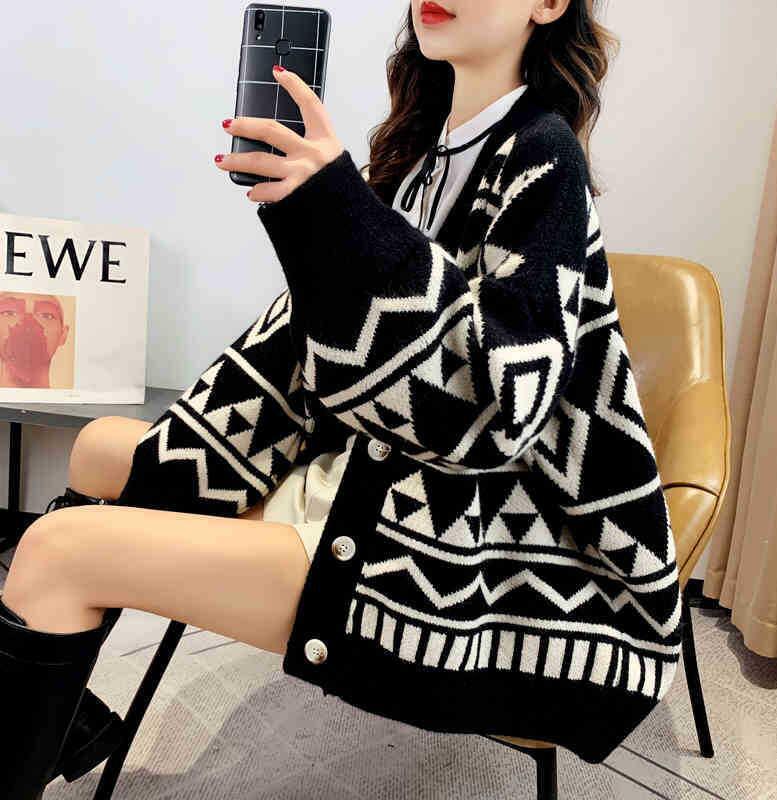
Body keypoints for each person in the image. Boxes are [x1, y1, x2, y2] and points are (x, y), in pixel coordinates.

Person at [2, 2, 677, 797]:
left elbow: (502, 413)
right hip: (362, 471)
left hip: (460, 537)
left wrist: (341, 210)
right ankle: (51, 716)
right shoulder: (427, 156)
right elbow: (312, 348)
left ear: (549, 4)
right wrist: (315, 217)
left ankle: (31, 700)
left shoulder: (543, 156)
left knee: (58, 552)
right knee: (97, 449)